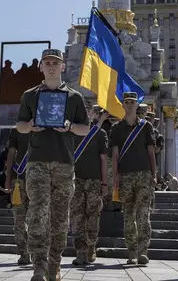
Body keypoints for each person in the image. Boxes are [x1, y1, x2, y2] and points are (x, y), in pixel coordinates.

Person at [15, 48, 89, 281]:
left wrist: (69, 126)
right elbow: (19, 126)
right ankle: (38, 266)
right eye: (47, 63)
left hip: (64, 163)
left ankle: (54, 264)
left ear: (62, 67)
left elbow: (84, 129)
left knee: (59, 216)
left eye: (55, 63)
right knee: (37, 213)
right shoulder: (30, 95)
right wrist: (31, 125)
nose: (51, 66)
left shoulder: (74, 97)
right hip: (37, 161)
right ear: (41, 67)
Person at [111, 92, 157, 265]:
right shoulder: (116, 128)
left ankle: (143, 251)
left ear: (137, 105)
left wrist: (154, 175)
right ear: (122, 105)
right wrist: (115, 177)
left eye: (132, 102)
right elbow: (114, 155)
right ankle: (132, 252)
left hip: (144, 175)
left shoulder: (146, 127)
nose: (129, 104)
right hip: (125, 176)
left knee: (143, 214)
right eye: (127, 102)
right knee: (129, 216)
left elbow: (151, 153)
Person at [70, 109, 109, 266]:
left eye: (91, 111)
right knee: (77, 217)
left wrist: (104, 183)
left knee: (93, 215)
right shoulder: (72, 132)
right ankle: (80, 252)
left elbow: (104, 159)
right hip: (75, 180)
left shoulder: (100, 134)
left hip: (94, 180)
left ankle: (91, 245)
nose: (87, 113)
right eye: (84, 110)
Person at [5, 129, 31, 265]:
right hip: (19, 180)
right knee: (19, 220)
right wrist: (8, 178)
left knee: (38, 219)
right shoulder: (17, 129)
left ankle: (37, 252)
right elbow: (11, 153)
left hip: (39, 181)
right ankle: (24, 253)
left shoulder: (48, 126)